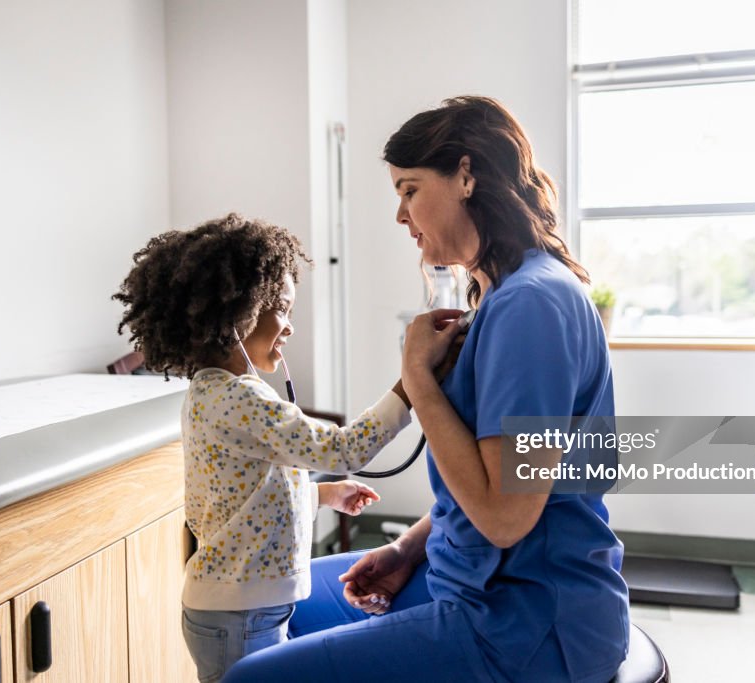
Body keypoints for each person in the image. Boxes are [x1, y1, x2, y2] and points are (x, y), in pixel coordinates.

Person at [225, 96, 630, 683]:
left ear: (466, 175)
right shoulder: (501, 296)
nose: (400, 216)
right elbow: (481, 496)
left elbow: (504, 518)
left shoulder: (532, 306)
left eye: (409, 190)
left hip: (529, 626)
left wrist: (418, 379)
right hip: (462, 580)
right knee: (268, 608)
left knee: (248, 678)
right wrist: (407, 550)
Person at [112, 213, 415, 683]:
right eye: (283, 311)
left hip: (244, 608)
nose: (290, 328)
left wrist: (322, 495)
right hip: (241, 618)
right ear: (239, 314)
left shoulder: (216, 391)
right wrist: (410, 386)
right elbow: (345, 449)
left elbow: (241, 498)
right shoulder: (240, 399)